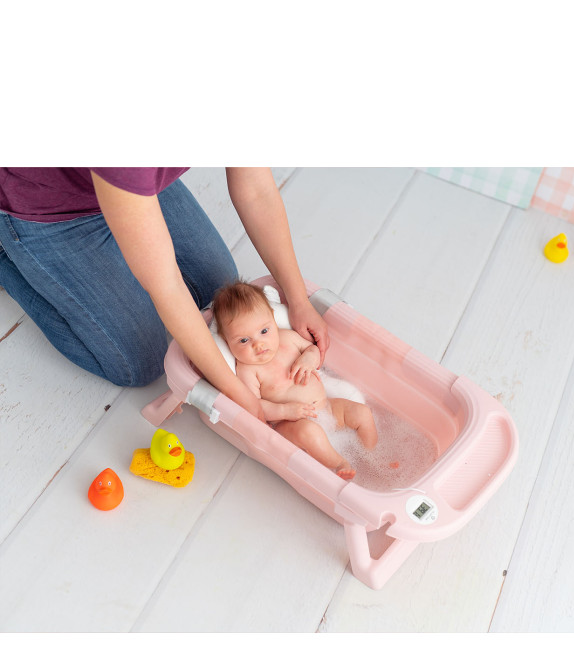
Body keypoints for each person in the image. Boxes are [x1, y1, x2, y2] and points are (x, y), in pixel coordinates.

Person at [0, 167, 329, 422]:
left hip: (132, 185)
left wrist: (298, 299)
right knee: (139, 362)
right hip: (52, 204)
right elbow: (164, 282)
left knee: (221, 296)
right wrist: (235, 392)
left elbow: (256, 190)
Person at [212, 280, 377, 480]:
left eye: (264, 331)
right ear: (227, 341)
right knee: (309, 433)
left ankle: (372, 458)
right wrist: (285, 411)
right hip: (291, 424)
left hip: (327, 407)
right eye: (244, 340)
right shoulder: (247, 371)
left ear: (272, 319)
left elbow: (313, 349)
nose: (259, 344)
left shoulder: (287, 339)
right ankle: (340, 464)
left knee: (362, 413)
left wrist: (308, 358)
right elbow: (254, 406)